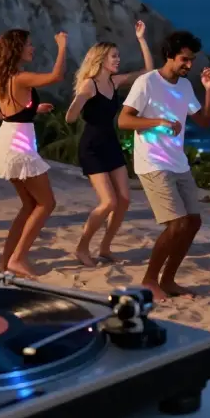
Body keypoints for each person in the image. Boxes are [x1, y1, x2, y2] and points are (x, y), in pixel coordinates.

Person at [119, 30, 210, 300]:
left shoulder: (185, 87)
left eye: (192, 60)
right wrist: (159, 122)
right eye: (185, 59)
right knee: (177, 224)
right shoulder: (147, 82)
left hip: (178, 163)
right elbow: (124, 121)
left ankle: (169, 280)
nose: (189, 65)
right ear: (169, 56)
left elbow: (205, 121)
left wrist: (209, 90)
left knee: (193, 222)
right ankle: (150, 280)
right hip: (152, 162)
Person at [64, 19, 154, 266]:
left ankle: (104, 248)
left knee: (124, 199)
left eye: (118, 56)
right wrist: (78, 101)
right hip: (92, 147)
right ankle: (82, 248)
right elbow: (71, 117)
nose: (117, 60)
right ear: (101, 59)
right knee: (109, 202)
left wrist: (141, 39)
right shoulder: (89, 85)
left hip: (111, 144)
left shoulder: (114, 82)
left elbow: (148, 72)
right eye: (113, 56)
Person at [0, 28, 62, 276]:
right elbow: (56, 76)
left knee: (29, 204)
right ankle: (18, 258)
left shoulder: (1, 78)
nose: (32, 48)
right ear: (17, 49)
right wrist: (62, 45)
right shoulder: (21, 77)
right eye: (28, 44)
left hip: (7, 138)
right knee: (47, 203)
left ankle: (5, 262)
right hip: (19, 145)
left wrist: (27, 113)